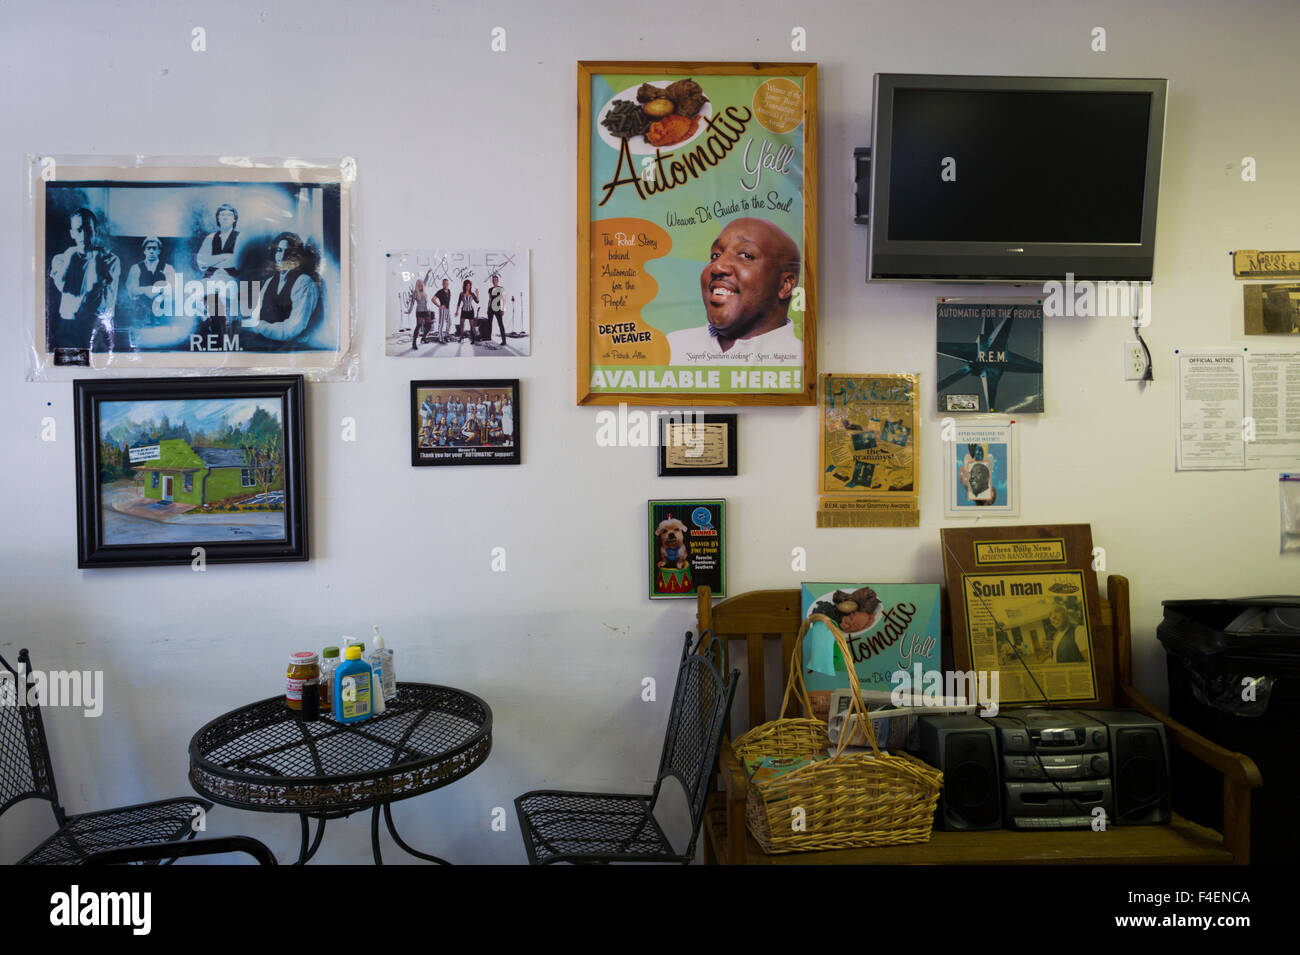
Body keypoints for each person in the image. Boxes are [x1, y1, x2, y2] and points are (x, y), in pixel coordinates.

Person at [666, 217, 802, 365]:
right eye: (715, 255)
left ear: (784, 286)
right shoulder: (672, 348)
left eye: (746, 255)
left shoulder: (800, 363)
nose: (718, 266)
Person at [49, 207, 120, 352]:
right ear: (72, 233)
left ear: (96, 231)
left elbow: (92, 288)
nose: (84, 235)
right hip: (68, 325)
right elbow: (64, 287)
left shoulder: (111, 260)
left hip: (97, 326)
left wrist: (94, 258)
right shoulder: (61, 259)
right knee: (68, 369)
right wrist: (70, 256)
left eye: (88, 229)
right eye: (79, 230)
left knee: (99, 370)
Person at [245, 232, 320, 347]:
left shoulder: (303, 283)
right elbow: (257, 313)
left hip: (290, 349)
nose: (283, 256)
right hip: (265, 342)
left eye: (288, 252)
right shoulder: (270, 281)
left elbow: (292, 329)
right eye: (279, 250)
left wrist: (257, 326)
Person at [195, 203, 242, 337]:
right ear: (218, 219)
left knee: (224, 301)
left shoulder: (240, 237)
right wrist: (225, 256)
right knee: (194, 296)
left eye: (229, 215)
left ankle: (226, 329)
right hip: (212, 277)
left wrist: (213, 259)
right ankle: (210, 324)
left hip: (232, 278)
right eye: (222, 215)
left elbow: (238, 261)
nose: (225, 217)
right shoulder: (210, 238)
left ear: (234, 219)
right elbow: (201, 262)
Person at [124, 237, 176, 328]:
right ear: (144, 251)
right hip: (141, 314)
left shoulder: (168, 268)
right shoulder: (136, 268)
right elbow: (131, 289)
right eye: (148, 248)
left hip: (163, 313)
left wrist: (158, 291)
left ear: (159, 251)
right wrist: (146, 290)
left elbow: (174, 289)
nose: (151, 251)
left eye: (154, 248)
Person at [411, 278, 432, 348]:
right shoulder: (415, 292)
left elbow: (425, 281)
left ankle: (423, 338)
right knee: (418, 326)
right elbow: (412, 303)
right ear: (417, 285)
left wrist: (428, 274)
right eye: (419, 284)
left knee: (429, 325)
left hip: (426, 310)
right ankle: (414, 343)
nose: (420, 285)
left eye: (421, 284)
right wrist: (409, 311)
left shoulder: (423, 291)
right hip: (419, 311)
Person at [487, 273, 506, 346]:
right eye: (493, 280)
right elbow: (489, 299)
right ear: (492, 281)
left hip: (498, 308)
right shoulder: (490, 289)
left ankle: (504, 340)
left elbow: (503, 299)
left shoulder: (501, 288)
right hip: (490, 309)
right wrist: (488, 308)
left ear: (498, 281)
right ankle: (489, 338)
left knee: (500, 324)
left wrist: (503, 309)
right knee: (489, 324)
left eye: (496, 280)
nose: (494, 281)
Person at [434, 278, 452, 343]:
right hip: (442, 309)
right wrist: (439, 306)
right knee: (441, 324)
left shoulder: (449, 291)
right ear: (442, 284)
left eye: (447, 284)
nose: (445, 285)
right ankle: (440, 339)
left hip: (448, 309)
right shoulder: (440, 291)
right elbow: (433, 299)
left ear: (448, 284)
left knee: (449, 323)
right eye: (444, 284)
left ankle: (446, 335)